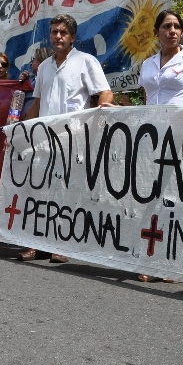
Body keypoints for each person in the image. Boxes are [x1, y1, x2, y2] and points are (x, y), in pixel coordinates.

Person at [18, 14, 113, 263]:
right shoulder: (45, 66)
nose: (58, 36)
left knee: (68, 192)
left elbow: (104, 93)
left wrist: (102, 112)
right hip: (44, 140)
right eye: (54, 32)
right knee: (41, 191)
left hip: (74, 139)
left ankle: (64, 245)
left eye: (63, 32)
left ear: (72, 36)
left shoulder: (86, 62)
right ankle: (37, 244)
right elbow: (37, 103)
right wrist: (20, 132)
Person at [138, 9, 183, 282]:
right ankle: (151, 258)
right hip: (150, 138)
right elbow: (147, 100)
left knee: (178, 197)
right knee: (151, 196)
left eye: (177, 26)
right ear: (156, 32)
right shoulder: (146, 65)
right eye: (166, 26)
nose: (172, 31)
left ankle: (175, 261)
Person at [23, 47, 55, 117]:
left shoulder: (51, 82)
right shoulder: (31, 80)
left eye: (34, 59)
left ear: (42, 62)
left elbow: (37, 103)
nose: (31, 63)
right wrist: (22, 83)